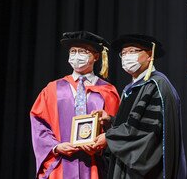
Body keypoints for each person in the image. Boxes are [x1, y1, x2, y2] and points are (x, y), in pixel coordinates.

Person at [92, 34, 187, 178]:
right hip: (126, 163)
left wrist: (109, 137)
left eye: (133, 51)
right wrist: (111, 120)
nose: (126, 57)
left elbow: (146, 131)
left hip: (145, 170)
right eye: (123, 53)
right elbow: (134, 121)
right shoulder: (131, 88)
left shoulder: (156, 85)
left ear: (149, 55)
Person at [30, 31, 120, 179]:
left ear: (96, 56)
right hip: (60, 165)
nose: (77, 56)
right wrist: (56, 146)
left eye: (83, 51)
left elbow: (116, 128)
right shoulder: (52, 89)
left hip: (95, 166)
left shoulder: (108, 91)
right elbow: (38, 123)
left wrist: (103, 142)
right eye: (73, 51)